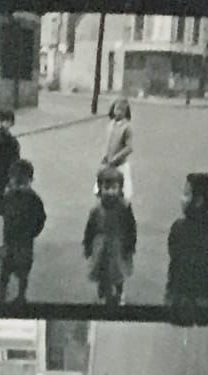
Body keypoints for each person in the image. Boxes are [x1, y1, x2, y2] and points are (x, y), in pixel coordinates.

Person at [166, 172, 208, 309]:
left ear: (198, 201)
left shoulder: (178, 228)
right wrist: (205, 273)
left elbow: (173, 251)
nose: (182, 199)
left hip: (175, 292)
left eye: (186, 194)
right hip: (201, 293)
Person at [84, 165, 137, 307]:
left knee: (118, 271)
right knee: (101, 270)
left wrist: (130, 246)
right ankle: (102, 293)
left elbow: (130, 227)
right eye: (106, 188)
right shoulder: (96, 209)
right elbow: (90, 228)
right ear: (100, 189)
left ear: (120, 189)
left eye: (114, 188)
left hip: (118, 244)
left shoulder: (124, 207)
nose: (110, 192)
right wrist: (88, 245)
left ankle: (119, 292)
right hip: (101, 245)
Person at [0, 159, 45, 304]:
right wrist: (33, 232)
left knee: (8, 269)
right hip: (23, 241)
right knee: (20, 271)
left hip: (14, 240)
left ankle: (4, 295)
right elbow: (41, 219)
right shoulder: (33, 198)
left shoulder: (9, 196)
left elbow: (3, 212)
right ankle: (19, 296)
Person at [98, 99, 135, 202]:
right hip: (108, 163)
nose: (119, 112)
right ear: (113, 109)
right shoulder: (110, 125)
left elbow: (129, 147)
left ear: (126, 112)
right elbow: (108, 142)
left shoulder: (127, 127)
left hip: (120, 164)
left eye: (122, 110)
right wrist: (105, 155)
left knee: (124, 191)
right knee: (103, 186)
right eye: (117, 109)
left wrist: (117, 157)